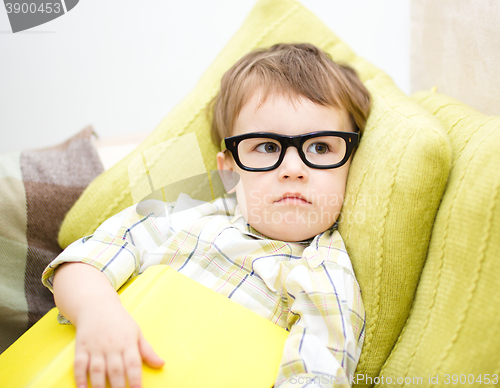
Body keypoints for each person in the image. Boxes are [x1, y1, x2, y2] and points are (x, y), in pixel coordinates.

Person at [42, 43, 371, 388]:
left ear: (352, 163)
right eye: (267, 147)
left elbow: (317, 376)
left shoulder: (325, 273)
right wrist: (98, 312)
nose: (293, 168)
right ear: (228, 171)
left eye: (320, 147)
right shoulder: (182, 215)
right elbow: (84, 261)